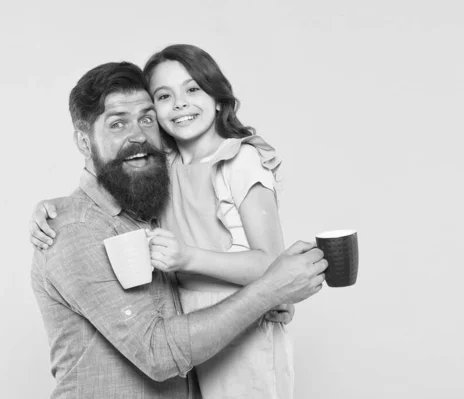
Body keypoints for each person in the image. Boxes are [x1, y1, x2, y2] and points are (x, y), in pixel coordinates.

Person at [30, 60, 327, 399]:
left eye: (146, 118)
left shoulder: (152, 208)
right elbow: (159, 353)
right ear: (84, 143)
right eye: (117, 124)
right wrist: (267, 292)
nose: (138, 135)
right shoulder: (74, 231)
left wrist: (262, 302)